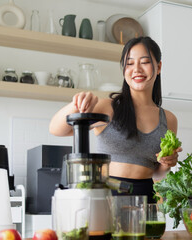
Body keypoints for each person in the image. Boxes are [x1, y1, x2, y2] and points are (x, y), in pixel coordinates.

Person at [49, 36, 182, 203]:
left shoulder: (168, 119)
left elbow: (157, 173)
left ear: (158, 67)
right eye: (130, 63)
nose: (137, 69)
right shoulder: (108, 108)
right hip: (105, 196)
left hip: (146, 200)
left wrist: (166, 164)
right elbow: (56, 129)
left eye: (145, 62)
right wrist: (76, 103)